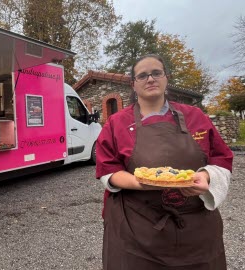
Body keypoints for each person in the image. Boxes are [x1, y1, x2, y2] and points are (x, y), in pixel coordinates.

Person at [96, 54, 233, 270]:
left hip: (195, 228)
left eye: (156, 73)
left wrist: (206, 176)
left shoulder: (195, 116)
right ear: (133, 84)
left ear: (166, 78)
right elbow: (107, 169)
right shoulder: (116, 123)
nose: (150, 79)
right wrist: (140, 182)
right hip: (137, 228)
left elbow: (221, 158)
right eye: (142, 75)